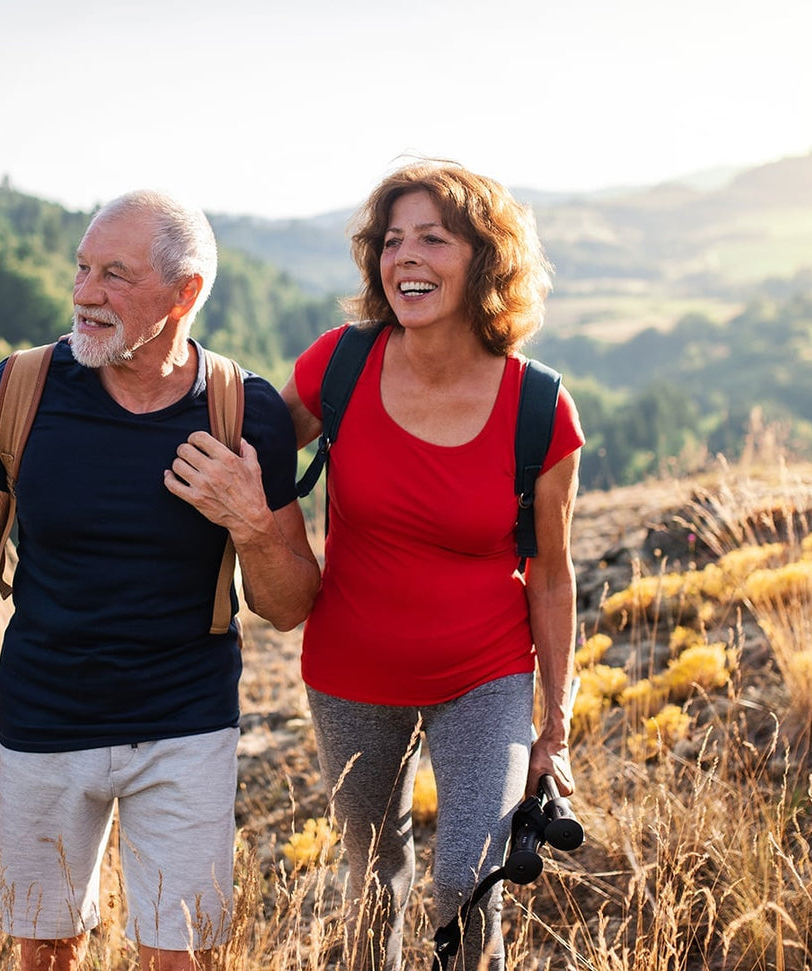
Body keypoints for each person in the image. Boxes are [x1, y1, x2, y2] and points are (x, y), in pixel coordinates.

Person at [0, 189, 320, 971]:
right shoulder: (18, 392)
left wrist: (250, 518)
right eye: (81, 267)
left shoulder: (247, 411)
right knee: (44, 949)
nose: (84, 293)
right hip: (43, 718)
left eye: (114, 274)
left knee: (180, 959)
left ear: (185, 294)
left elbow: (290, 604)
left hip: (186, 723)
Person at [278, 161, 584, 971]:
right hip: (350, 670)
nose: (405, 256)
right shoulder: (338, 366)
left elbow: (551, 575)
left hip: (485, 674)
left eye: (433, 239)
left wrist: (555, 715)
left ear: (484, 259)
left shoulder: (539, 407)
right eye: (392, 240)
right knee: (374, 879)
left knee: (466, 875)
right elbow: (253, 453)